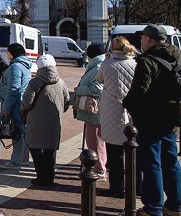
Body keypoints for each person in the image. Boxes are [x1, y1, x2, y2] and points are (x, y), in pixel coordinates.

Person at [123, 24, 181, 216]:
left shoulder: (147, 61)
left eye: (142, 38)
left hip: (151, 119)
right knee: (170, 161)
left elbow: (139, 91)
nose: (140, 41)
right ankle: (175, 205)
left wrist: (127, 104)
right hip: (171, 117)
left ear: (149, 39)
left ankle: (153, 208)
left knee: (151, 163)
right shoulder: (176, 57)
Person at [96, 36, 137, 198]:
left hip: (112, 110)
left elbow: (99, 79)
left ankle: (117, 188)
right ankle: (136, 186)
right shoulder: (135, 63)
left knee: (114, 152)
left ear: (113, 48)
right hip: (131, 109)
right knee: (133, 149)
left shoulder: (107, 64)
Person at [21, 54, 70, 185]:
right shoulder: (61, 82)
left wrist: (23, 111)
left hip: (36, 121)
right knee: (50, 149)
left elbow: (26, 102)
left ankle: (41, 176)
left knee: (34, 147)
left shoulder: (35, 82)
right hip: (55, 120)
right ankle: (49, 177)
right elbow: (67, 100)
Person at [0, 43, 32, 170]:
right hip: (22, 102)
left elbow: (13, 88)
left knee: (17, 133)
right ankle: (23, 159)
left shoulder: (15, 67)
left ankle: (16, 161)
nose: (7, 54)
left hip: (15, 104)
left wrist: (6, 108)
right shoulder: (25, 65)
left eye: (8, 52)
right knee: (22, 131)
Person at [76, 43, 106, 176]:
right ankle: (98, 166)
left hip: (95, 110)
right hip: (92, 111)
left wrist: (79, 90)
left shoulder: (98, 66)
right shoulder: (95, 65)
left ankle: (99, 168)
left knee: (96, 141)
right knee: (93, 140)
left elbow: (97, 88)